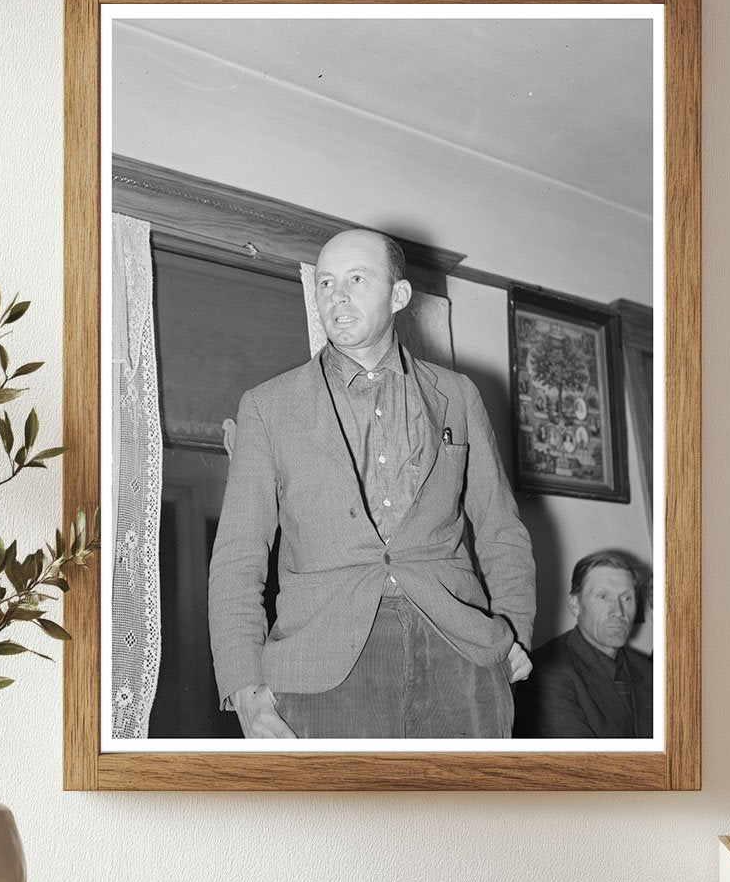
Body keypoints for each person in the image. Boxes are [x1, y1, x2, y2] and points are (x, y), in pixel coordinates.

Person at [208, 228, 536, 739]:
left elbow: (501, 530)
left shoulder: (458, 395)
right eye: (325, 283)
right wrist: (246, 689)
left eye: (357, 280)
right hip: (322, 668)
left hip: (462, 655)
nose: (337, 296)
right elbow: (237, 558)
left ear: (398, 295)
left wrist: (513, 631)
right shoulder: (268, 407)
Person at [516, 551, 652, 738]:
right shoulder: (547, 673)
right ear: (575, 605)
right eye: (603, 596)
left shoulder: (648, 670)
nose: (618, 612)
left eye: (626, 598)